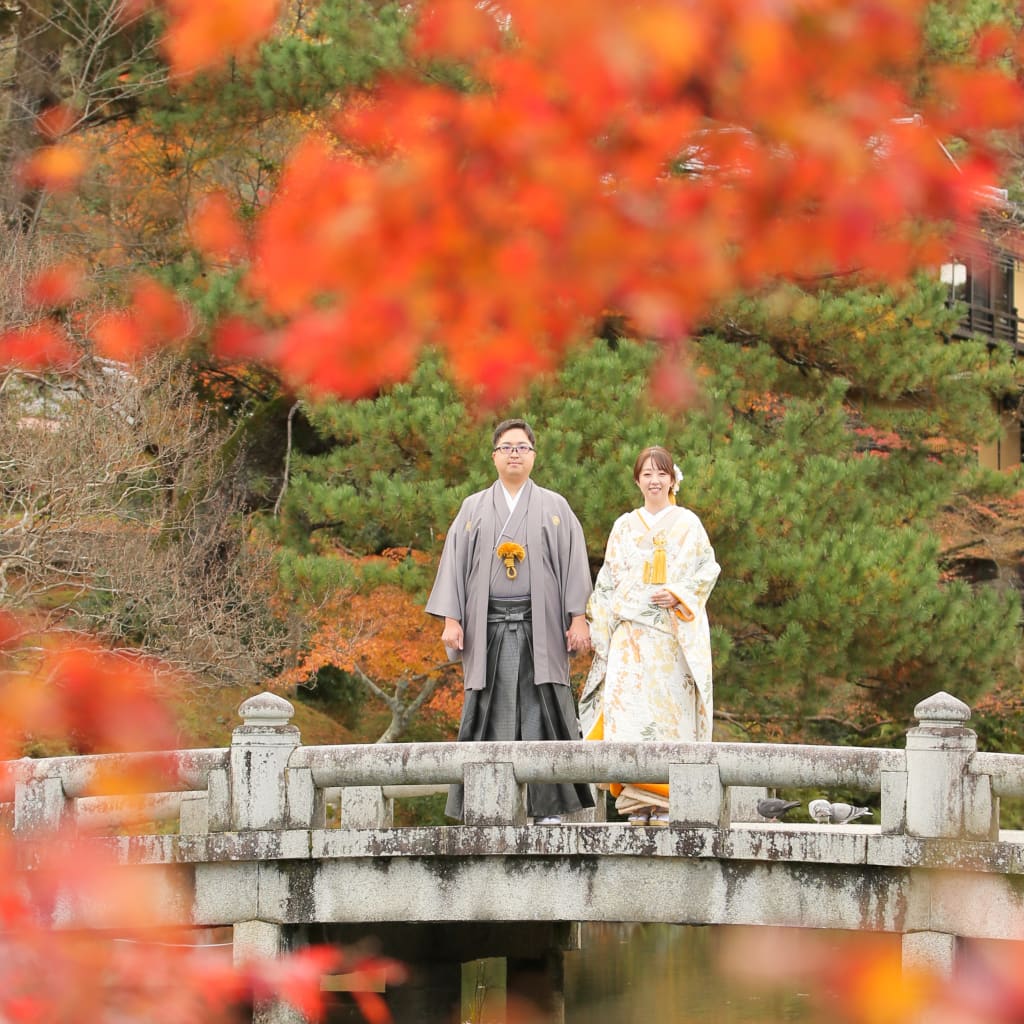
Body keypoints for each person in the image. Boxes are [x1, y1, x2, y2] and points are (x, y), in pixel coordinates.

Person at [426, 418, 596, 823]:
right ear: (494, 457)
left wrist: (579, 619)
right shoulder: (473, 508)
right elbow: (455, 566)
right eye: (506, 447)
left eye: (522, 447)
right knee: (490, 712)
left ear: (534, 455)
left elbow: (574, 565)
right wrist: (452, 621)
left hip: (542, 626)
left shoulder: (555, 507)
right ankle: (488, 806)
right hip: (488, 629)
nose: (514, 454)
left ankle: (550, 809)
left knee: (545, 711)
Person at [580, 445, 719, 826]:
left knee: (668, 717)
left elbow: (707, 569)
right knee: (628, 717)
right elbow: (607, 580)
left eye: (662, 474)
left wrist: (677, 593)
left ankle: (668, 802)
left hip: (669, 638)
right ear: (637, 480)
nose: (654, 481)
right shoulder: (624, 525)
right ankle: (634, 803)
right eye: (647, 474)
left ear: (673, 480)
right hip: (630, 639)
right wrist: (601, 632)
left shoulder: (688, 523)